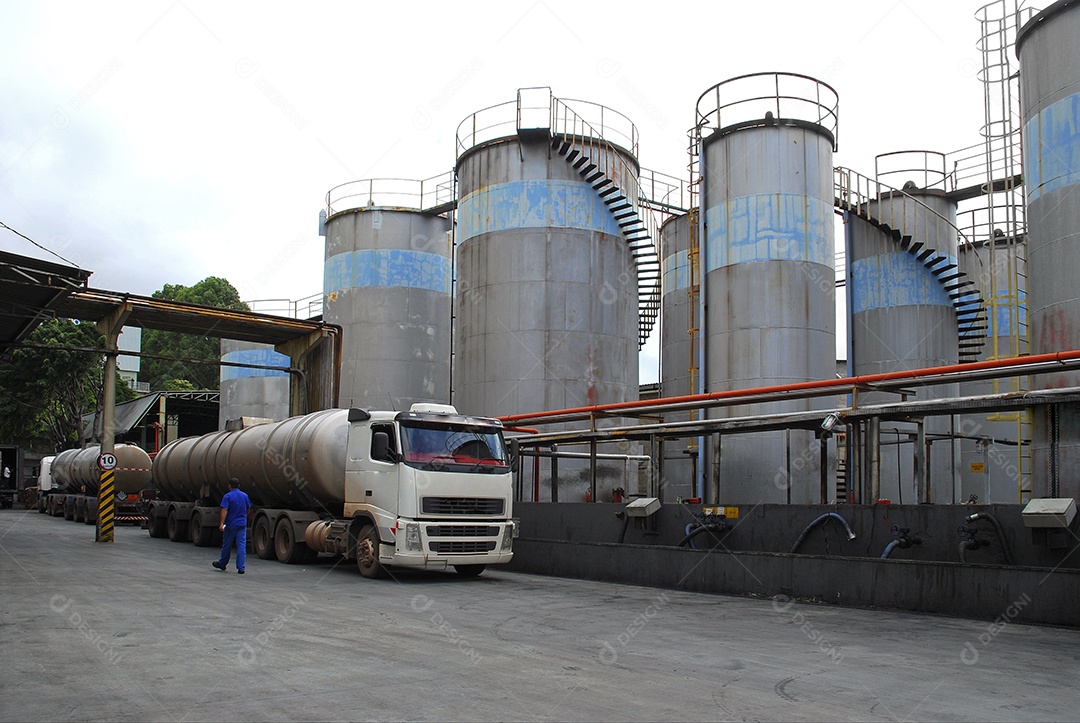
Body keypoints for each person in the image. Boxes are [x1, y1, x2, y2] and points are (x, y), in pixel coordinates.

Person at [213, 478, 252, 574]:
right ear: (239, 486)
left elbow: (224, 509)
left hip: (231, 524)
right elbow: (248, 509)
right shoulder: (245, 496)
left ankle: (222, 563)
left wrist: (221, 523)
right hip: (241, 524)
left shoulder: (228, 496)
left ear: (229, 486)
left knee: (227, 545)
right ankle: (241, 567)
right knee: (241, 546)